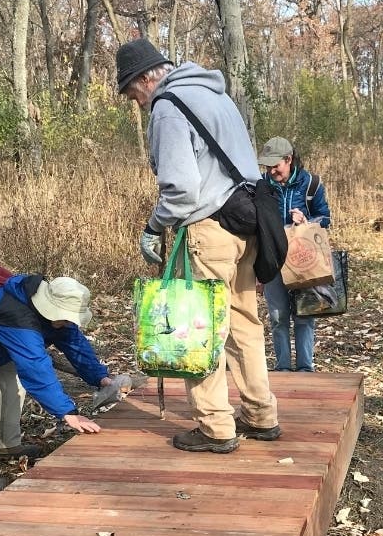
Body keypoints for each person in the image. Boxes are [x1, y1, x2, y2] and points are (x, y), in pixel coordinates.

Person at [115, 37, 280, 453]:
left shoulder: (168, 107)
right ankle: (261, 415)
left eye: (133, 94)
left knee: (197, 327)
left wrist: (154, 226)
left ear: (144, 80)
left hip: (208, 228)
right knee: (243, 322)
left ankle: (214, 427)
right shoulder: (214, 95)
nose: (137, 104)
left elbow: (183, 189)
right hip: (246, 224)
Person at [0, 274, 118, 493]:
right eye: (66, 318)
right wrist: (67, 412)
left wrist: (100, 377)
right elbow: (35, 367)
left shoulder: (56, 315)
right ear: (50, 308)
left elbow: (76, 345)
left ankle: (5, 445)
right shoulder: (18, 317)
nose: (68, 322)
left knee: (14, 385)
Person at [257, 137, 331, 372]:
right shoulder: (261, 185)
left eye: (275, 165)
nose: (271, 171)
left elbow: (325, 217)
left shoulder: (311, 184)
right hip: (272, 260)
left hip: (304, 259)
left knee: (304, 315)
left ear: (288, 160)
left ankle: (305, 369)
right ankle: (282, 368)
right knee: (278, 316)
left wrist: (307, 221)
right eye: (267, 166)